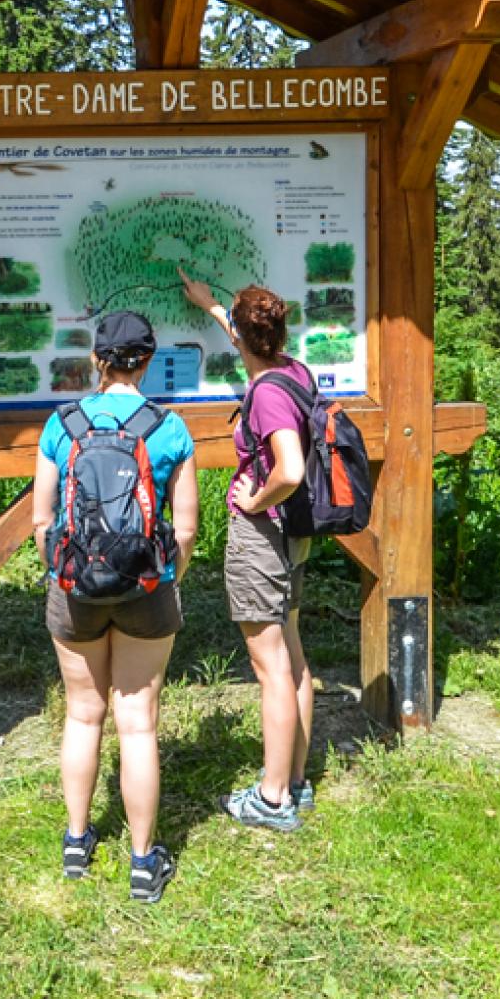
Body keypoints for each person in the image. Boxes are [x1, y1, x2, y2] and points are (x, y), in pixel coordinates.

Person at [32, 310, 198, 900]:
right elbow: (185, 529)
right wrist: (162, 575)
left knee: (82, 714)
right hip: (147, 591)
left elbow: (42, 520)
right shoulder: (170, 429)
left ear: (98, 360)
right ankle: (142, 860)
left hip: (74, 589)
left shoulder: (62, 424)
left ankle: (77, 843)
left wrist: (65, 573)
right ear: (148, 361)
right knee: (138, 724)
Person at [178, 269, 315, 831]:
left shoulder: (264, 396)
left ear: (244, 334)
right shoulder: (292, 370)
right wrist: (211, 307)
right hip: (296, 534)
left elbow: (291, 467)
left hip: (265, 537)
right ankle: (296, 780)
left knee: (271, 666)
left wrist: (256, 500)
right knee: (293, 654)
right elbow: (248, 343)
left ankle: (273, 796)